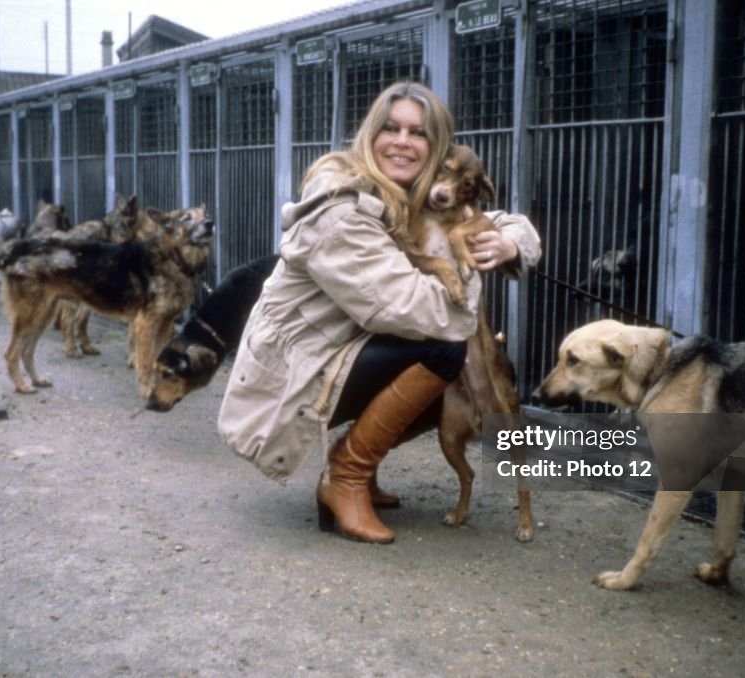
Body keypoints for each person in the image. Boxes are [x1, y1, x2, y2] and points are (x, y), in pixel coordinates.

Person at [218, 81, 541, 544]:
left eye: (418, 132)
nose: (403, 141)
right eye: (391, 128)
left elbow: (494, 216)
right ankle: (346, 476)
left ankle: (358, 469)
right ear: (371, 134)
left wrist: (509, 242)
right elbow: (411, 308)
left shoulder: (413, 190)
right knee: (445, 351)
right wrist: (468, 272)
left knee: (446, 372)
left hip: (339, 353)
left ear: (437, 146)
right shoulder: (341, 208)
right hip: (294, 376)